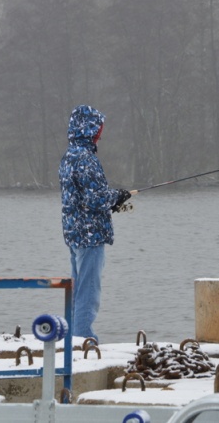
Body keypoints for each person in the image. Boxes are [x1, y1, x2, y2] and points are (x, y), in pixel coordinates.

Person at [59, 104, 132, 342]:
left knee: (78, 289)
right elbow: (95, 198)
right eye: (98, 127)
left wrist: (111, 200)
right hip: (90, 235)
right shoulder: (86, 158)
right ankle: (83, 339)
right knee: (88, 292)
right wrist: (117, 196)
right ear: (89, 129)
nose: (100, 132)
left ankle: (72, 337)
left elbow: (81, 197)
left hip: (74, 232)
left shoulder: (69, 156)